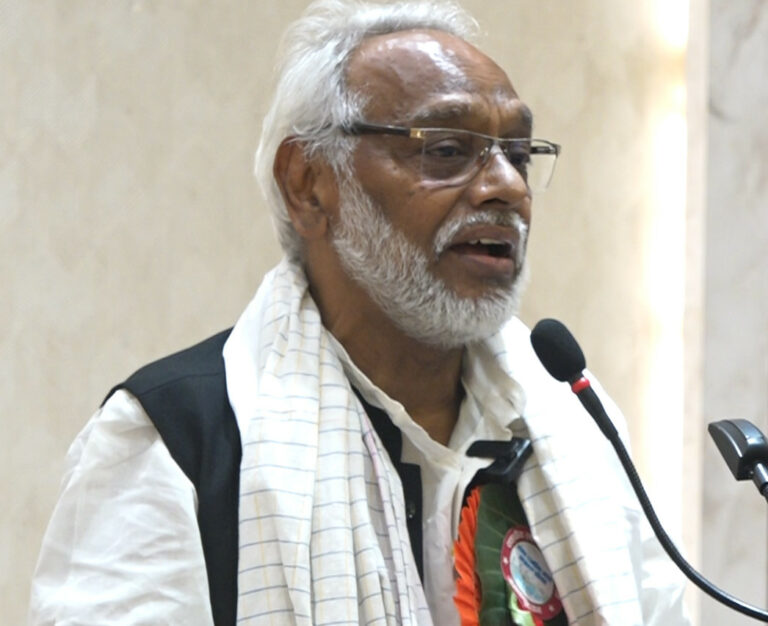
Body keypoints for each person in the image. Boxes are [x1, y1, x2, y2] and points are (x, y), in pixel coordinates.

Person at [29, 1, 690, 624]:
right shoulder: (178, 440)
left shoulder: (573, 423)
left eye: (518, 154)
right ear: (309, 184)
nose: (507, 187)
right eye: (446, 150)